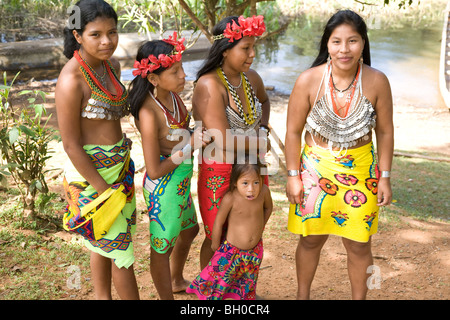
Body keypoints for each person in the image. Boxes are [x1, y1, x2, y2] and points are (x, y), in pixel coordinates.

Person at [285, 9, 393, 300]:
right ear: (327, 44)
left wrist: (384, 177)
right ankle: (302, 296)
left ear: (363, 43)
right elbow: (293, 132)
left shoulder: (378, 81)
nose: (344, 49)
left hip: (362, 171)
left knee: (360, 244)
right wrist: (293, 176)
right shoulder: (308, 80)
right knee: (310, 240)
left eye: (352, 41)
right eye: (336, 42)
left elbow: (384, 132)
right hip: (315, 170)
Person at [56, 0, 139, 299]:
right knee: (122, 254)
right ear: (78, 36)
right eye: (96, 34)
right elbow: (70, 144)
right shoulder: (71, 80)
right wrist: (104, 191)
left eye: (112, 32)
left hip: (120, 170)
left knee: (103, 239)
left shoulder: (111, 66)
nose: (107, 41)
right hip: (93, 178)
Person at [128, 33, 209, 300]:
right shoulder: (148, 113)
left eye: (182, 68)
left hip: (180, 182)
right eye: (175, 72)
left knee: (190, 229)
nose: (183, 75)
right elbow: (153, 169)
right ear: (153, 78)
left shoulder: (172, 97)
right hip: (163, 187)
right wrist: (192, 145)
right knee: (161, 248)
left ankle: (175, 280)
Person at [192, 15, 271, 270]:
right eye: (245, 48)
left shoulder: (252, 79)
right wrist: (260, 142)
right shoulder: (209, 84)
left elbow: (265, 101)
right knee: (216, 236)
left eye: (253, 47)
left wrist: (263, 127)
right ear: (225, 51)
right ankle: (210, 293)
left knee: (246, 232)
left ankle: (238, 292)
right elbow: (223, 140)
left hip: (252, 170)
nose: (252, 54)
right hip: (220, 172)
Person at [186, 158, 273, 299]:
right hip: (231, 251)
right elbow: (218, 222)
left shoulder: (263, 192)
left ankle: (245, 296)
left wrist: (261, 225)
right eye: (245, 183)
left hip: (254, 251)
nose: (251, 188)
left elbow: (268, 207)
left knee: (248, 279)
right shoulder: (231, 198)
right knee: (219, 278)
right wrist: (215, 243)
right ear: (234, 182)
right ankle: (209, 295)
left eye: (256, 182)